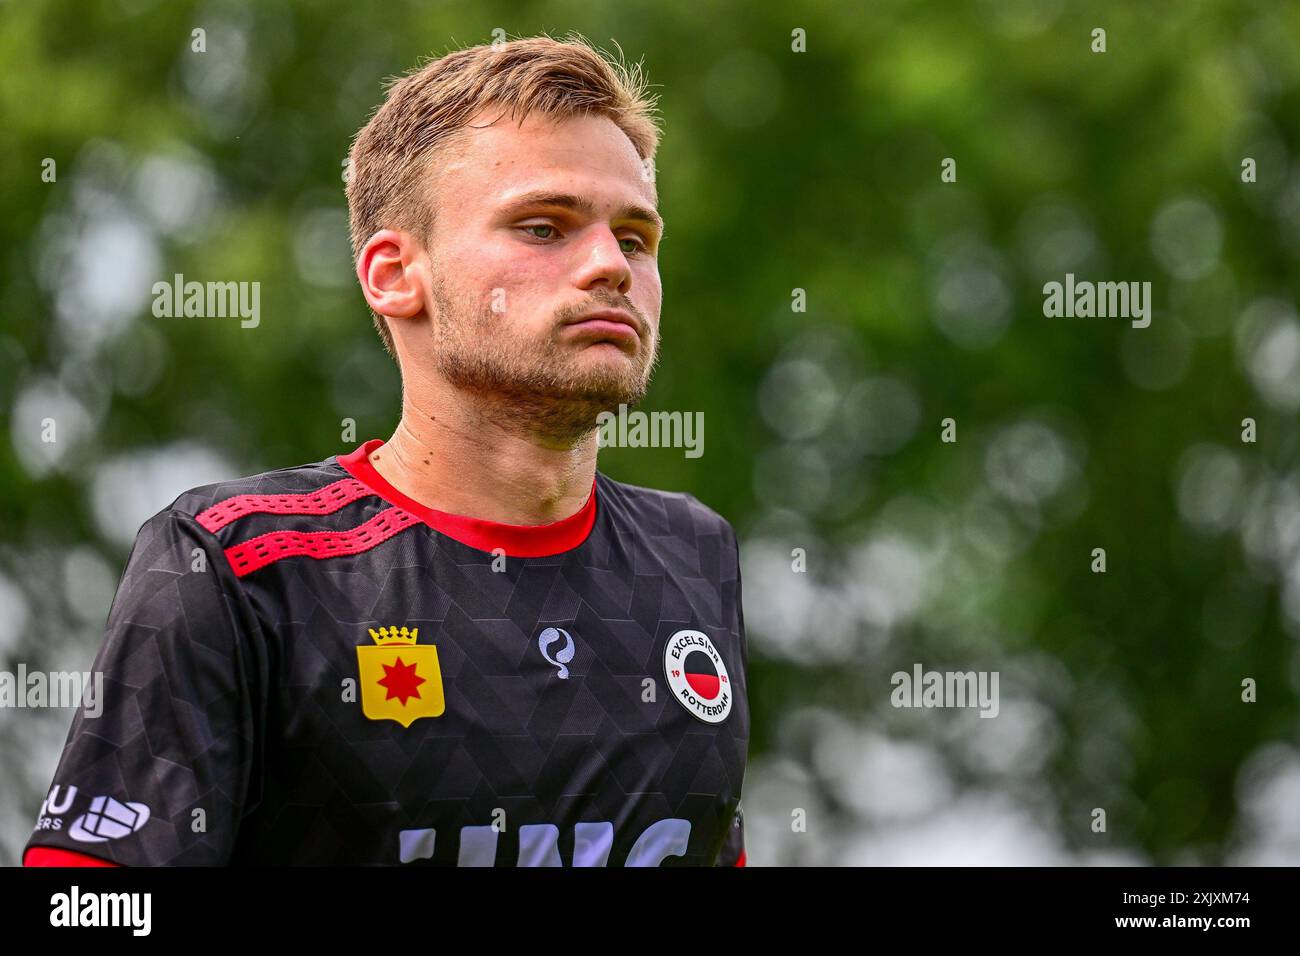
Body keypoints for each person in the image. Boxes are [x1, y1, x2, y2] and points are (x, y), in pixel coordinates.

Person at [24, 33, 748, 866]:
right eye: (544, 227)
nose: (609, 267)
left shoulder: (693, 556)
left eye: (634, 238)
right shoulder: (236, 566)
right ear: (395, 274)